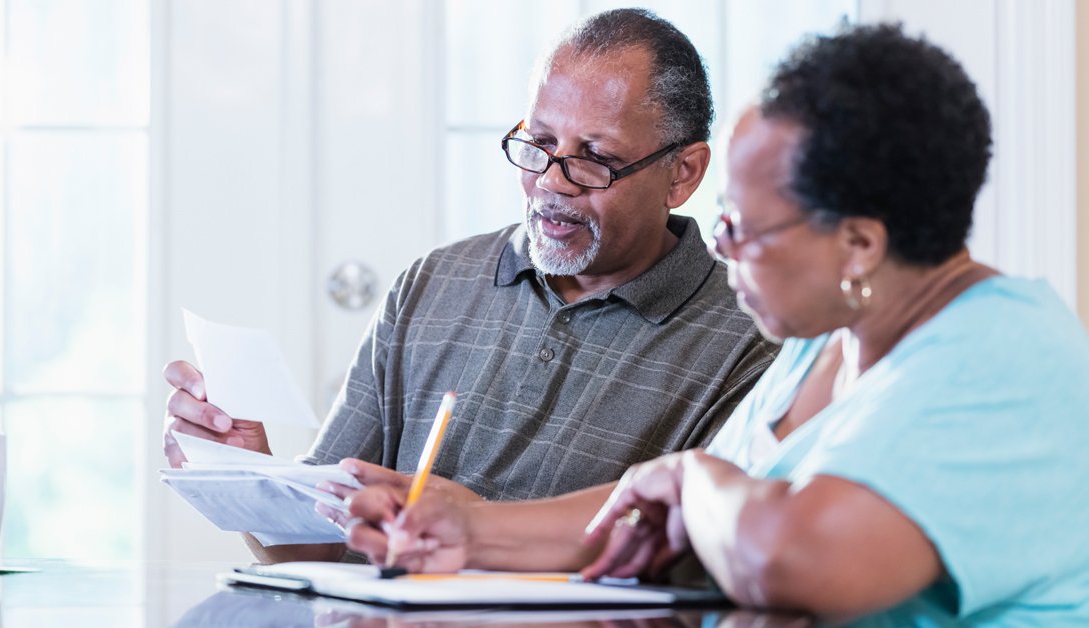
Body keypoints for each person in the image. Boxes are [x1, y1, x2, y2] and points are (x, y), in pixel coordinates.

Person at [344, 24, 1089, 624]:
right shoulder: (826, 340)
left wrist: (692, 473)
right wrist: (466, 531)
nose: (720, 247)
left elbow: (790, 559)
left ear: (860, 244)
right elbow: (656, 522)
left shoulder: (1010, 360)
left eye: (742, 226)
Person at [162, 8, 778, 564]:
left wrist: (476, 527)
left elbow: (707, 567)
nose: (552, 182)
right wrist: (246, 471)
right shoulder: (433, 285)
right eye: (539, 144)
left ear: (684, 173)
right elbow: (319, 545)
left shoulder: (751, 338)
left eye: (595, 157)